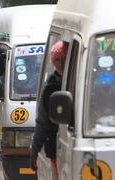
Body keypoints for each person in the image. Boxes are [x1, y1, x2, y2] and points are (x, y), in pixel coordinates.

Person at [30, 41, 69, 178]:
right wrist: (34, 151)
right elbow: (42, 122)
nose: (61, 63)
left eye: (64, 58)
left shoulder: (81, 81)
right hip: (56, 147)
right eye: (57, 60)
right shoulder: (49, 89)